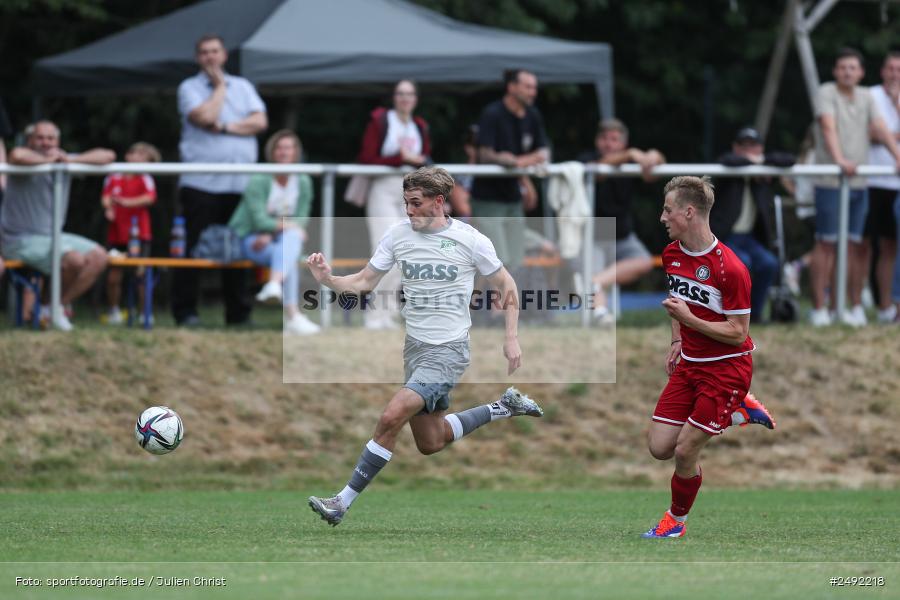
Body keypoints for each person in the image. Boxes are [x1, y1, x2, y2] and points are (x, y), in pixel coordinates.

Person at [306, 166, 543, 527]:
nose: (409, 210)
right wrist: (328, 280)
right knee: (431, 442)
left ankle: (341, 501)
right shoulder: (398, 235)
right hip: (415, 348)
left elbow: (506, 284)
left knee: (390, 417)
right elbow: (365, 282)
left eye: (416, 203)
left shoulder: (470, 239)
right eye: (405, 203)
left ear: (438, 201)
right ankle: (503, 407)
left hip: (448, 351)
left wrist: (511, 338)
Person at [643, 176, 776, 539]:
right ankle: (738, 412)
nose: (662, 217)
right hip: (690, 366)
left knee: (685, 451)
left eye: (668, 210)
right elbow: (678, 307)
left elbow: (738, 332)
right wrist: (676, 339)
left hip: (726, 370)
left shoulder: (729, 268)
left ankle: (675, 523)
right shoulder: (671, 254)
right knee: (659, 448)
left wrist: (689, 321)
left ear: (689, 212)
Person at [172, 33, 268, 327]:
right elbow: (202, 117)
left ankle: (239, 315)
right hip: (200, 183)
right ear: (198, 58)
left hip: (240, 184)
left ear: (224, 54)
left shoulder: (244, 86)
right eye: (204, 52)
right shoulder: (189, 87)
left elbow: (260, 122)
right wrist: (219, 88)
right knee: (193, 250)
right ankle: (186, 313)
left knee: (238, 251)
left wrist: (225, 127)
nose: (210, 57)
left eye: (215, 51)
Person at [809, 48, 900, 327]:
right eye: (843, 67)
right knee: (827, 243)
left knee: (848, 245)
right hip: (832, 180)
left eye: (853, 68)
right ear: (836, 71)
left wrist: (897, 155)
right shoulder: (826, 92)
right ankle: (819, 308)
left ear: (860, 72)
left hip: (858, 181)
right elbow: (828, 126)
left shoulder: (865, 97)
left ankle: (840, 307)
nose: (848, 72)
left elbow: (880, 127)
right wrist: (839, 160)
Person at [0, 120, 114, 331]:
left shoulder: (63, 160)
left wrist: (70, 160)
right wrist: (51, 160)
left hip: (52, 237)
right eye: (40, 138)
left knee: (99, 256)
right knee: (74, 260)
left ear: (58, 141)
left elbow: (107, 155)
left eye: (50, 138)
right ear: (30, 140)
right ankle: (49, 309)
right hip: (18, 240)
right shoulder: (22, 160)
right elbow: (16, 155)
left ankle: (52, 307)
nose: (45, 143)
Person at [228, 130, 320, 335]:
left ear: (296, 152)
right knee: (290, 249)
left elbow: (302, 217)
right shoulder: (259, 179)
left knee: (289, 246)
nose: (284, 152)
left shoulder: (303, 180)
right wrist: (285, 228)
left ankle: (274, 286)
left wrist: (278, 231)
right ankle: (293, 317)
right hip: (251, 237)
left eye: (288, 147)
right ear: (272, 152)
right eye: (279, 148)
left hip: (279, 238)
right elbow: (259, 219)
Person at [357, 79, 432, 330]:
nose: (405, 98)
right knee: (384, 251)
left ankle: (387, 315)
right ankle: (373, 317)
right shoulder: (381, 120)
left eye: (409, 94)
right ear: (394, 97)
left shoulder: (419, 126)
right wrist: (401, 158)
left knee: (406, 254)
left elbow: (425, 160)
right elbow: (367, 158)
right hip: (383, 188)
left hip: (411, 192)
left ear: (416, 98)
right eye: (400, 94)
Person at [578, 118, 666, 322]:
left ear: (623, 143)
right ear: (597, 141)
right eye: (604, 138)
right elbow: (596, 170)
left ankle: (598, 284)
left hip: (622, 236)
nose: (609, 143)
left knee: (644, 262)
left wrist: (654, 157)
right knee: (594, 270)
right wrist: (630, 154)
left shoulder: (630, 162)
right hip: (591, 237)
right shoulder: (587, 159)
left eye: (614, 139)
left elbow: (653, 172)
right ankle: (600, 315)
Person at [712, 127, 795, 322]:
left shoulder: (762, 172)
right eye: (744, 146)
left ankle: (754, 315)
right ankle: (733, 316)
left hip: (749, 237)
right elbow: (726, 160)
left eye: (754, 146)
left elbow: (789, 159)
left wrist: (761, 163)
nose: (749, 150)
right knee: (742, 264)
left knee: (769, 264)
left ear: (761, 148)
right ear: (736, 147)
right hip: (725, 237)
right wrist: (753, 163)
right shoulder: (728, 172)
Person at [470, 69, 549, 270]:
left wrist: (520, 170)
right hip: (488, 199)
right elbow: (485, 155)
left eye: (534, 87)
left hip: (513, 198)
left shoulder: (533, 115)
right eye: (528, 87)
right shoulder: (492, 113)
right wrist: (513, 161)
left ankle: (480, 301)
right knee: (496, 262)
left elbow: (543, 153)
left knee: (514, 261)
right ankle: (472, 300)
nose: (533, 92)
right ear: (511, 87)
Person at [101, 142, 160, 324]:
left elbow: (149, 198)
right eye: (138, 154)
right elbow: (105, 198)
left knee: (141, 275)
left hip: (139, 235)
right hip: (117, 235)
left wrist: (125, 202)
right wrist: (108, 208)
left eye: (146, 158)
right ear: (128, 155)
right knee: (113, 276)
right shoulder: (114, 175)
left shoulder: (146, 179)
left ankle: (145, 314)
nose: (140, 159)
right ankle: (114, 312)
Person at [866, 52, 900, 324]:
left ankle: (889, 306)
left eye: (899, 69)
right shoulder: (871, 95)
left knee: (892, 247)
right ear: (882, 71)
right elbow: (869, 133)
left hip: (896, 184)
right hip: (872, 180)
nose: (894, 74)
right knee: (864, 246)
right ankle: (875, 305)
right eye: (890, 68)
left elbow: (881, 134)